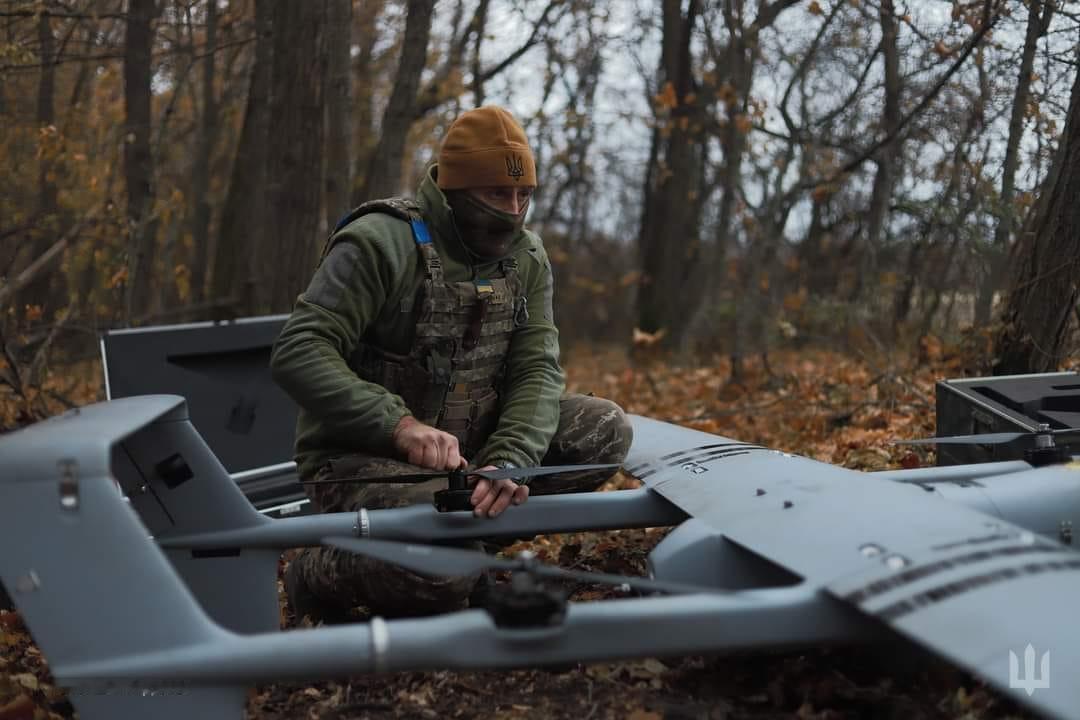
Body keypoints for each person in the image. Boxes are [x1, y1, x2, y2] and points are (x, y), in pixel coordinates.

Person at [270, 105, 632, 622]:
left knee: (603, 429)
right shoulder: (380, 241)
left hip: (470, 462)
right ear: (455, 192)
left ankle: (470, 553)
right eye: (495, 195)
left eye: (523, 195)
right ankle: (320, 570)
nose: (511, 209)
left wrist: (510, 459)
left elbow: (538, 369)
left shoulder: (526, 257)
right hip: (361, 460)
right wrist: (397, 426)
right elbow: (299, 349)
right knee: (441, 571)